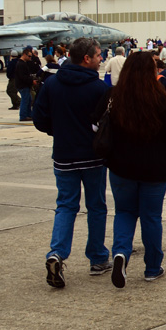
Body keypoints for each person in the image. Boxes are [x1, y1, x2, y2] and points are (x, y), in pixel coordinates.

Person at [95, 51, 166, 286]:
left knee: (125, 212)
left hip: (121, 167)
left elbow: (97, 126)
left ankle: (120, 253)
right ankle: (152, 267)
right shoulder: (160, 97)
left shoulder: (113, 96)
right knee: (151, 217)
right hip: (154, 168)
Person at [31, 37, 110, 287]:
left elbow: (39, 118)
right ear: (86, 58)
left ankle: (57, 254)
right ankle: (97, 258)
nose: (101, 59)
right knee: (96, 206)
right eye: (98, 56)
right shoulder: (98, 88)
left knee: (65, 206)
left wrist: (59, 131)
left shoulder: (52, 84)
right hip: (93, 157)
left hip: (64, 155)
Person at [14, 46, 39, 121]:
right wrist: (31, 81)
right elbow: (23, 77)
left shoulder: (23, 63)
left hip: (24, 85)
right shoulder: (21, 64)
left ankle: (28, 114)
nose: (30, 58)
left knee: (29, 99)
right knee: (25, 100)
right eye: (29, 56)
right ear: (24, 54)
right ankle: (23, 116)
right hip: (22, 85)